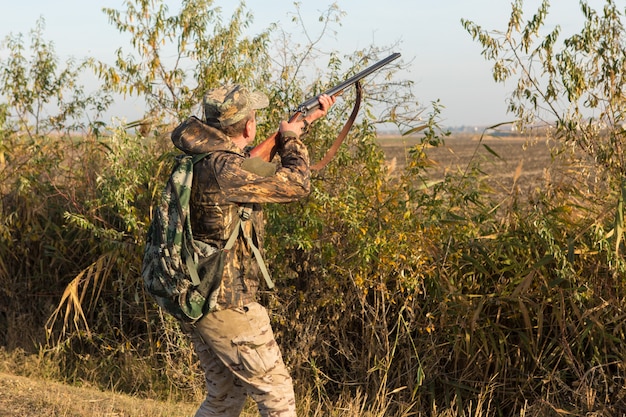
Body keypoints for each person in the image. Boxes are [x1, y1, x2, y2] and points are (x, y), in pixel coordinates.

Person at [170, 84, 336, 417]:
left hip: (200, 295)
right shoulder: (226, 170)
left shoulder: (206, 159)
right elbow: (297, 184)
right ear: (248, 126)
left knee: (224, 396)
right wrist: (289, 139)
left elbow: (251, 166)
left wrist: (296, 127)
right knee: (277, 394)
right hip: (227, 301)